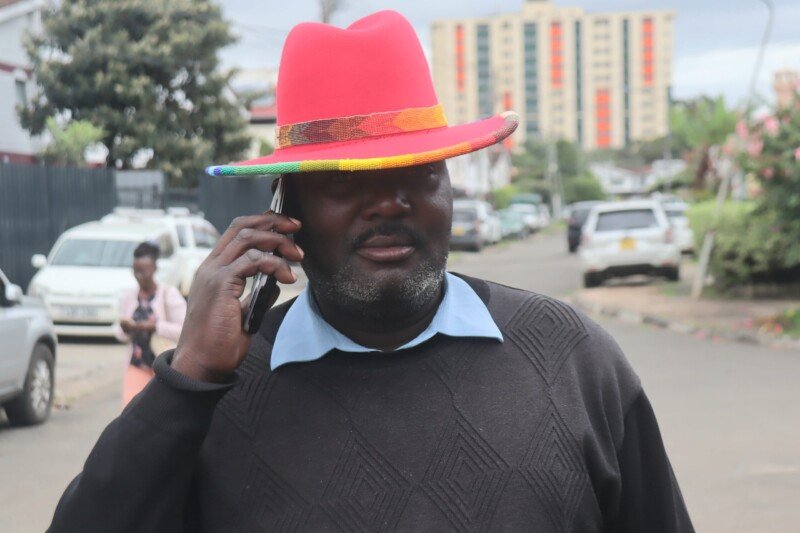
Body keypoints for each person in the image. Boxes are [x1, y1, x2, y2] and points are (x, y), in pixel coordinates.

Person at [49, 11, 693, 532]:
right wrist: (188, 376)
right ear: (285, 208)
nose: (391, 203)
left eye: (421, 172)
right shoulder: (215, 392)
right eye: (347, 180)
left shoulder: (572, 358)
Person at [113, 241, 186, 407]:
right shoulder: (128, 297)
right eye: (135, 271)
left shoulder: (169, 294)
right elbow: (119, 334)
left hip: (163, 368)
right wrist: (126, 329)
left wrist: (155, 327)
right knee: (129, 413)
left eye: (143, 271)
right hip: (137, 365)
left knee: (162, 413)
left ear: (154, 268)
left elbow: (186, 331)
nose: (139, 276)